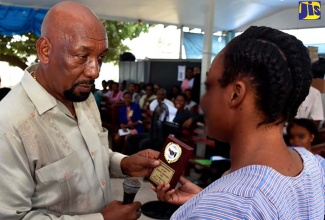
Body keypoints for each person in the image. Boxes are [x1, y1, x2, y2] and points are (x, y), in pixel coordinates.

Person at [0, 2, 160, 219]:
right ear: (45, 51)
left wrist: (123, 164)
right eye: (82, 56)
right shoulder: (9, 125)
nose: (95, 72)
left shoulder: (81, 95)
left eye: (101, 58)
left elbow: (90, 155)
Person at [153, 26, 325, 219]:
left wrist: (215, 208)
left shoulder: (235, 208)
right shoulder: (315, 166)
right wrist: (209, 199)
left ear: (236, 94)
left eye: (209, 86)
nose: (204, 101)